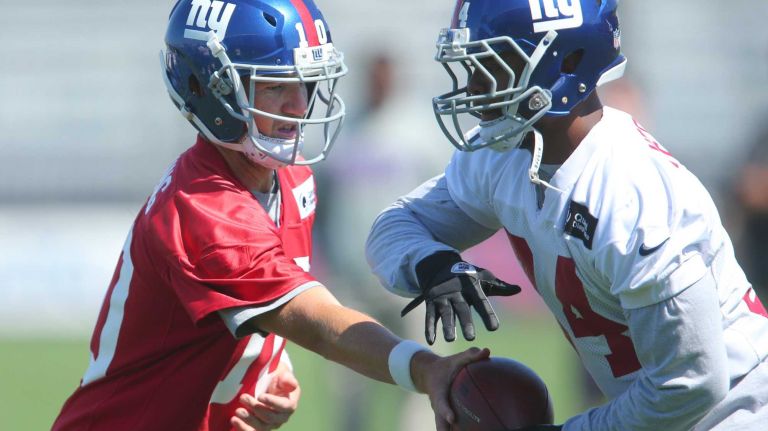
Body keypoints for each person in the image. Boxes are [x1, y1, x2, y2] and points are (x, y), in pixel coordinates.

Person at [51, 1, 487, 430]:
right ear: (210, 90)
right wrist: (426, 368)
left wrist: (267, 370)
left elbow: (256, 306)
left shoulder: (291, 178)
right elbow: (317, 323)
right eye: (275, 86)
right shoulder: (205, 206)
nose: (299, 105)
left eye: (306, 82)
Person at [366, 1, 768, 430]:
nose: (474, 88)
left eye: (493, 65)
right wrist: (431, 263)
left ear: (568, 63)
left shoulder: (632, 195)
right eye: (471, 65)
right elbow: (394, 226)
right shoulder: (503, 155)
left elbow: (692, 384)